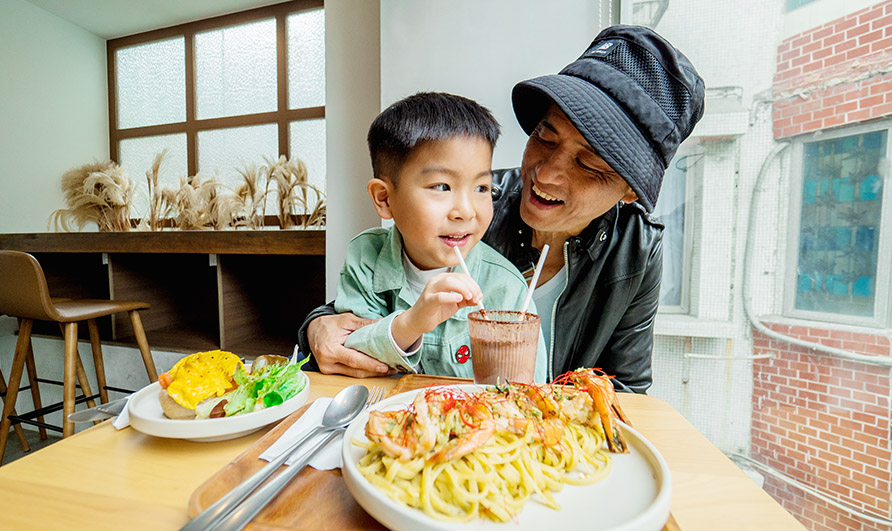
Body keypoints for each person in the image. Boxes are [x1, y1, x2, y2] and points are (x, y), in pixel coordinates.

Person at [299, 25, 704, 393]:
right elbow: (365, 293)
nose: (546, 174)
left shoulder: (636, 247)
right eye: (545, 138)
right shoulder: (479, 202)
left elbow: (625, 389)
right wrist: (314, 327)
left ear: (629, 190)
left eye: (588, 164)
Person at [329, 91, 548, 382]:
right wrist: (411, 323)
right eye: (442, 187)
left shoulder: (506, 289)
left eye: (481, 188)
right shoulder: (366, 258)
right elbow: (349, 356)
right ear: (384, 198)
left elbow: (530, 391)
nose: (466, 211)